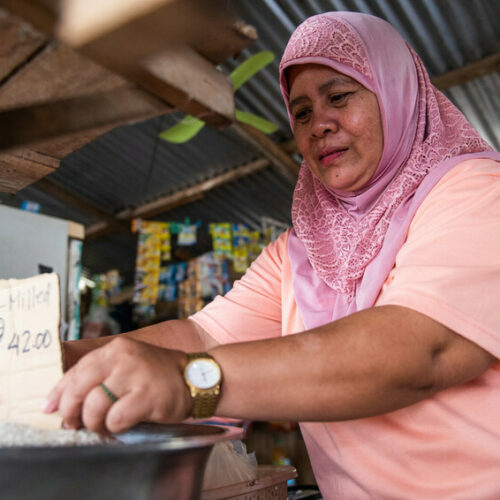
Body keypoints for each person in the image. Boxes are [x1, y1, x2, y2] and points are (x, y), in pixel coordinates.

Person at [43, 12, 500, 499]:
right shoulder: (302, 252)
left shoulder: (475, 193)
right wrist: (48, 366)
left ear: (396, 93)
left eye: (339, 97)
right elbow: (202, 334)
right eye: (301, 112)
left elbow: (419, 350)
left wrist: (190, 380)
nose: (319, 124)